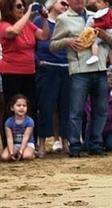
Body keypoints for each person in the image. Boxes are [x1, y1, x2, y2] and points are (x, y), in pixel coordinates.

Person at [50, 0, 112, 157]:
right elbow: (52, 45)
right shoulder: (63, 19)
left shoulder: (96, 16)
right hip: (79, 70)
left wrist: (103, 33)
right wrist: (68, 41)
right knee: (76, 111)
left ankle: (96, 143)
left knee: (100, 110)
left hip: (99, 68)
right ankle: (75, 145)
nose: (78, 1)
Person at [0, 0, 50, 148]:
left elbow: (43, 36)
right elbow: (13, 32)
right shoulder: (4, 25)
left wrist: (45, 19)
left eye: (23, 6)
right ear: (9, 9)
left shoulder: (27, 24)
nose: (22, 9)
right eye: (19, 6)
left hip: (29, 71)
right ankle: (9, 146)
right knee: (11, 107)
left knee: (31, 107)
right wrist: (29, 12)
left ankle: (30, 144)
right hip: (11, 72)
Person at [34, 0, 70, 156]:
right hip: (47, 67)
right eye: (63, 2)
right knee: (46, 106)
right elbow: (32, 44)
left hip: (66, 67)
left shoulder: (68, 21)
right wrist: (37, 61)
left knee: (65, 107)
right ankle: (41, 143)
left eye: (68, 4)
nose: (66, 5)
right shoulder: (39, 20)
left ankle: (65, 142)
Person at [84, 70, 112, 151]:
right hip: (94, 128)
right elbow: (90, 115)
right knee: (88, 147)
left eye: (111, 76)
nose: (111, 79)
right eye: (108, 77)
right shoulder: (90, 95)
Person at [1, 94, 35, 161]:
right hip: (14, 144)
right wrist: (11, 152)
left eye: (24, 106)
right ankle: (15, 153)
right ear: (12, 108)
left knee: (26, 157)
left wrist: (21, 150)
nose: (21, 107)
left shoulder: (29, 121)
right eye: (18, 105)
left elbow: (26, 137)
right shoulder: (8, 122)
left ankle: (33, 153)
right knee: (4, 157)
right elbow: (9, 138)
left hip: (27, 144)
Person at [85, 0, 112, 65]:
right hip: (102, 30)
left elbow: (107, 23)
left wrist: (94, 26)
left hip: (106, 31)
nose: (96, 4)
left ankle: (95, 56)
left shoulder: (108, 12)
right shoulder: (100, 12)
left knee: (94, 41)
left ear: (106, 4)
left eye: (99, 2)